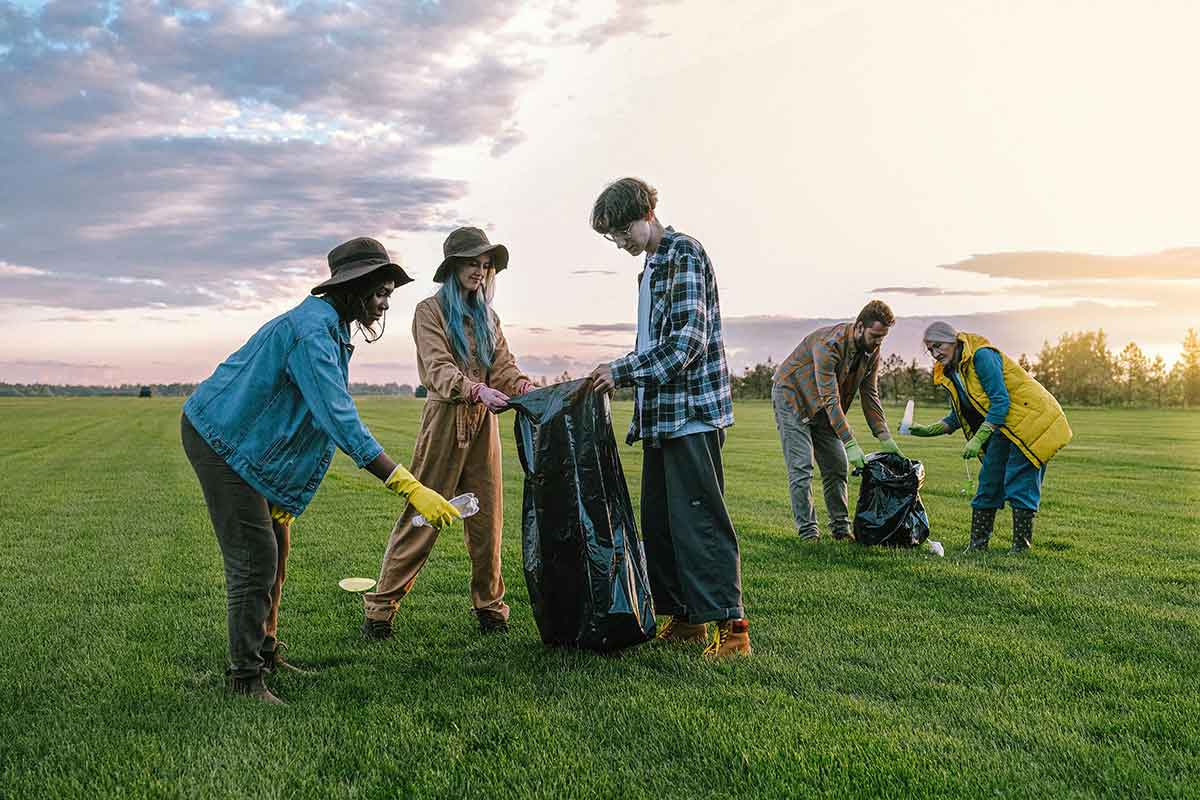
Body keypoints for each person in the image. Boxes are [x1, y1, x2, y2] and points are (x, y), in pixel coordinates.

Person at [182, 237, 461, 704]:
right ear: (352, 288)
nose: (384, 304)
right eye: (379, 293)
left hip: (248, 444)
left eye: (389, 294)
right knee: (255, 559)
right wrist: (410, 486)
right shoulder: (313, 332)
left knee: (278, 545)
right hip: (220, 439)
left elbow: (302, 421)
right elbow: (338, 419)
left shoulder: (331, 329)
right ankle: (245, 680)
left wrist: (284, 493)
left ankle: (266, 650)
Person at [588, 177, 750, 658]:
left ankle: (734, 629)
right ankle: (685, 620)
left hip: (692, 414)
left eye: (621, 233)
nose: (619, 244)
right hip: (661, 417)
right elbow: (652, 344)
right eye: (611, 238)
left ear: (645, 214)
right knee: (661, 525)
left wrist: (621, 372)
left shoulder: (683, 253)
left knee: (700, 523)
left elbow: (686, 343)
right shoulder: (651, 267)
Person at [362, 227, 533, 638]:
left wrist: (524, 387)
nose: (480, 270)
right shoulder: (429, 311)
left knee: (488, 521)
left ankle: (490, 607)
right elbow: (437, 368)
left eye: (486, 264)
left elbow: (504, 368)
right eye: (473, 263)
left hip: (483, 427)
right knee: (422, 515)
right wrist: (474, 389)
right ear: (453, 266)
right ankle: (380, 609)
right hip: (444, 422)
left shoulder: (489, 317)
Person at [909, 321, 1072, 553]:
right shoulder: (954, 372)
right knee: (989, 481)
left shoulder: (981, 357)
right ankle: (977, 546)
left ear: (954, 340)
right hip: (1003, 426)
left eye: (939, 346)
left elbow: (1000, 401)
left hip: (1030, 421)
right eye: (930, 349)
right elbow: (959, 415)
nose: (936, 353)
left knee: (1020, 481)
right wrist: (926, 430)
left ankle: (1020, 548)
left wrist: (978, 438)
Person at [771, 301, 904, 542]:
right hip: (792, 398)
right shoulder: (828, 345)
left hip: (823, 408)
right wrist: (850, 442)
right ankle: (808, 533)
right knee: (802, 467)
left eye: (883, 338)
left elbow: (870, 395)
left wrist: (885, 437)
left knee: (837, 466)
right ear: (860, 326)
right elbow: (830, 399)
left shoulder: (871, 353)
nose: (878, 342)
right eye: (875, 336)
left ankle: (841, 530)